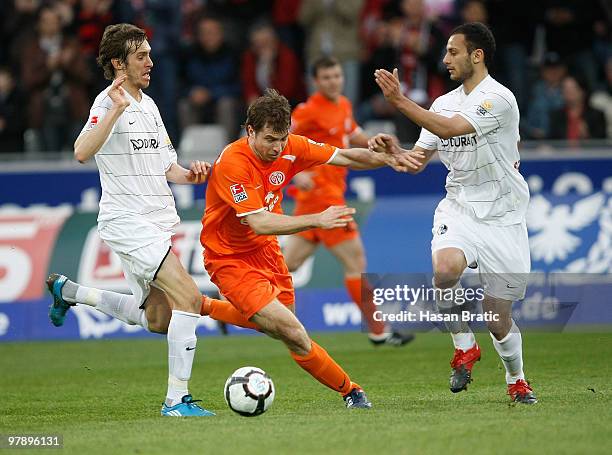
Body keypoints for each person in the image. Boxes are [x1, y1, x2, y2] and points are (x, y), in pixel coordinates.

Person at [198, 88, 419, 408]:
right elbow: (258, 222)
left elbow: (343, 155)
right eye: (270, 139)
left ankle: (205, 305)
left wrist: (385, 158)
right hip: (228, 257)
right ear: (250, 131)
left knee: (280, 329)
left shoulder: (292, 146)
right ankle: (353, 392)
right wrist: (317, 219)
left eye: (282, 139)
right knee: (295, 333)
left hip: (267, 252)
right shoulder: (234, 162)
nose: (277, 148)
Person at [45, 23, 216, 417]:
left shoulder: (151, 105)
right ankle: (177, 400)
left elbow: (168, 166)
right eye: (142, 56)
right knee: (189, 297)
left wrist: (193, 174)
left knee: (159, 319)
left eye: (150, 54)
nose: (151, 62)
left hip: (156, 222)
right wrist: (115, 107)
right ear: (119, 62)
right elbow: (81, 151)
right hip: (128, 222)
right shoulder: (108, 102)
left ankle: (71, 293)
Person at [371, 22, 537, 404]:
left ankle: (517, 379)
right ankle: (464, 345)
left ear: (476, 55)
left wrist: (399, 102)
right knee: (445, 270)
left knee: (498, 319)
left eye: (453, 52)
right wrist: (394, 152)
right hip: (459, 205)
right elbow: (418, 161)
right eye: (446, 52)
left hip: (503, 214)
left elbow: (450, 130)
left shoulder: (498, 98)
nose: (445, 59)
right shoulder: (441, 101)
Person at [286, 56, 414, 346]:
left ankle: (230, 297)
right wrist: (294, 175)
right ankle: (379, 330)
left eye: (337, 75)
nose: (334, 81)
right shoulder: (307, 112)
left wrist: (379, 145)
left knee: (286, 265)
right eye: (327, 77)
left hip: (316, 201)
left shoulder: (342, 104)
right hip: (323, 198)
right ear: (316, 82)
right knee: (356, 262)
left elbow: (354, 135)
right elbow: (280, 143)